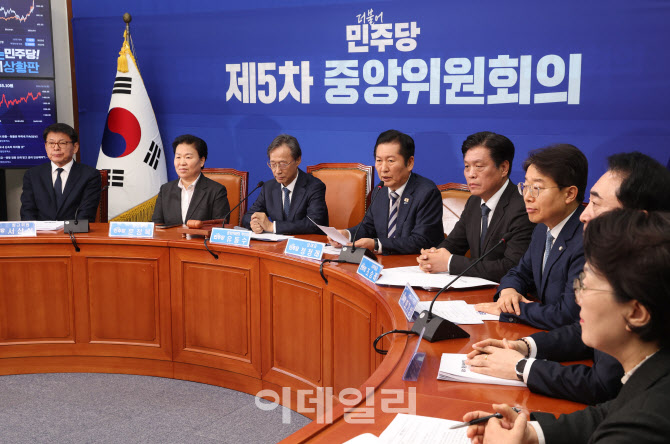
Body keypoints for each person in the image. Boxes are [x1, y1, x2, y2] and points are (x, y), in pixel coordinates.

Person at [465, 152, 670, 405]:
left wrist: (521, 367)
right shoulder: (549, 231)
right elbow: (586, 328)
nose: (585, 215)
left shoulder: (644, 279)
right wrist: (525, 346)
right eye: (525, 186)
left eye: (596, 204)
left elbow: (603, 384)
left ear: (639, 217)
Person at [464, 209, 670, 444]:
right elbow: (607, 414)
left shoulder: (646, 423)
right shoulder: (651, 375)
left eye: (585, 286)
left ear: (636, 313)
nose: (578, 298)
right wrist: (532, 434)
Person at [476, 144, 588, 330]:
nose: (527, 196)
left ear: (569, 194)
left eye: (536, 188)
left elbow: (568, 315)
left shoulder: (587, 240)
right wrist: (508, 291)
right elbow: (519, 272)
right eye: (525, 186)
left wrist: (514, 310)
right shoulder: (542, 229)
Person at [416, 131, 535, 282]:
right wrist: (433, 255)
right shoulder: (474, 201)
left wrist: (450, 263)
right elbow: (454, 243)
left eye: (479, 166)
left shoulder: (523, 208)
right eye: (467, 166)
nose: (471, 174)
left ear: (504, 168)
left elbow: (511, 267)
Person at [328, 129, 443, 255]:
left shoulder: (426, 193)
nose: (383, 169)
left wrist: (377, 244)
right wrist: (347, 234)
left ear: (410, 163)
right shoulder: (380, 190)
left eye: (390, 161)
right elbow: (368, 227)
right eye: (379, 160)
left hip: (415, 263)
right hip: (384, 262)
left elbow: (421, 241)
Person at [242, 134, 328, 235]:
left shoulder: (314, 186)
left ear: (298, 160)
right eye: (273, 164)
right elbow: (248, 216)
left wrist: (272, 227)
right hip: (278, 244)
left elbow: (314, 224)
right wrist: (254, 223)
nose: (277, 171)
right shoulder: (268, 187)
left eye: (283, 164)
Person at [20, 123, 101, 222]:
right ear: (45, 146)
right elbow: (27, 211)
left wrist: (66, 231)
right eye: (51, 143)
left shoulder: (90, 175)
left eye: (62, 143)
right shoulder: (32, 175)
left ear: (75, 147)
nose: (56, 148)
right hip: (41, 231)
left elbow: (86, 214)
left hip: (73, 231)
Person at [152, 134, 230, 225]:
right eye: (178, 157)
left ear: (201, 161)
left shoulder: (216, 191)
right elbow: (156, 225)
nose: (182, 163)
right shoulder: (165, 190)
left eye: (188, 157)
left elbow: (220, 227)